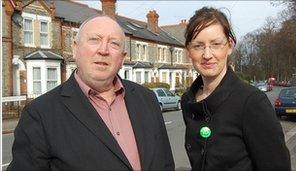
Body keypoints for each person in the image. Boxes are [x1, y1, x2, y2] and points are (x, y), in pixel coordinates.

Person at [8, 15, 174, 171]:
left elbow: (166, 163)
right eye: (94, 40)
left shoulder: (147, 98)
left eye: (114, 44)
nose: (103, 50)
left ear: (123, 58)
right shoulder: (39, 113)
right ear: (75, 49)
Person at [181, 7, 291, 171]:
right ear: (189, 50)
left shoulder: (251, 101)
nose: (207, 54)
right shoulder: (188, 101)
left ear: (230, 45)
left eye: (216, 44)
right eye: (198, 46)